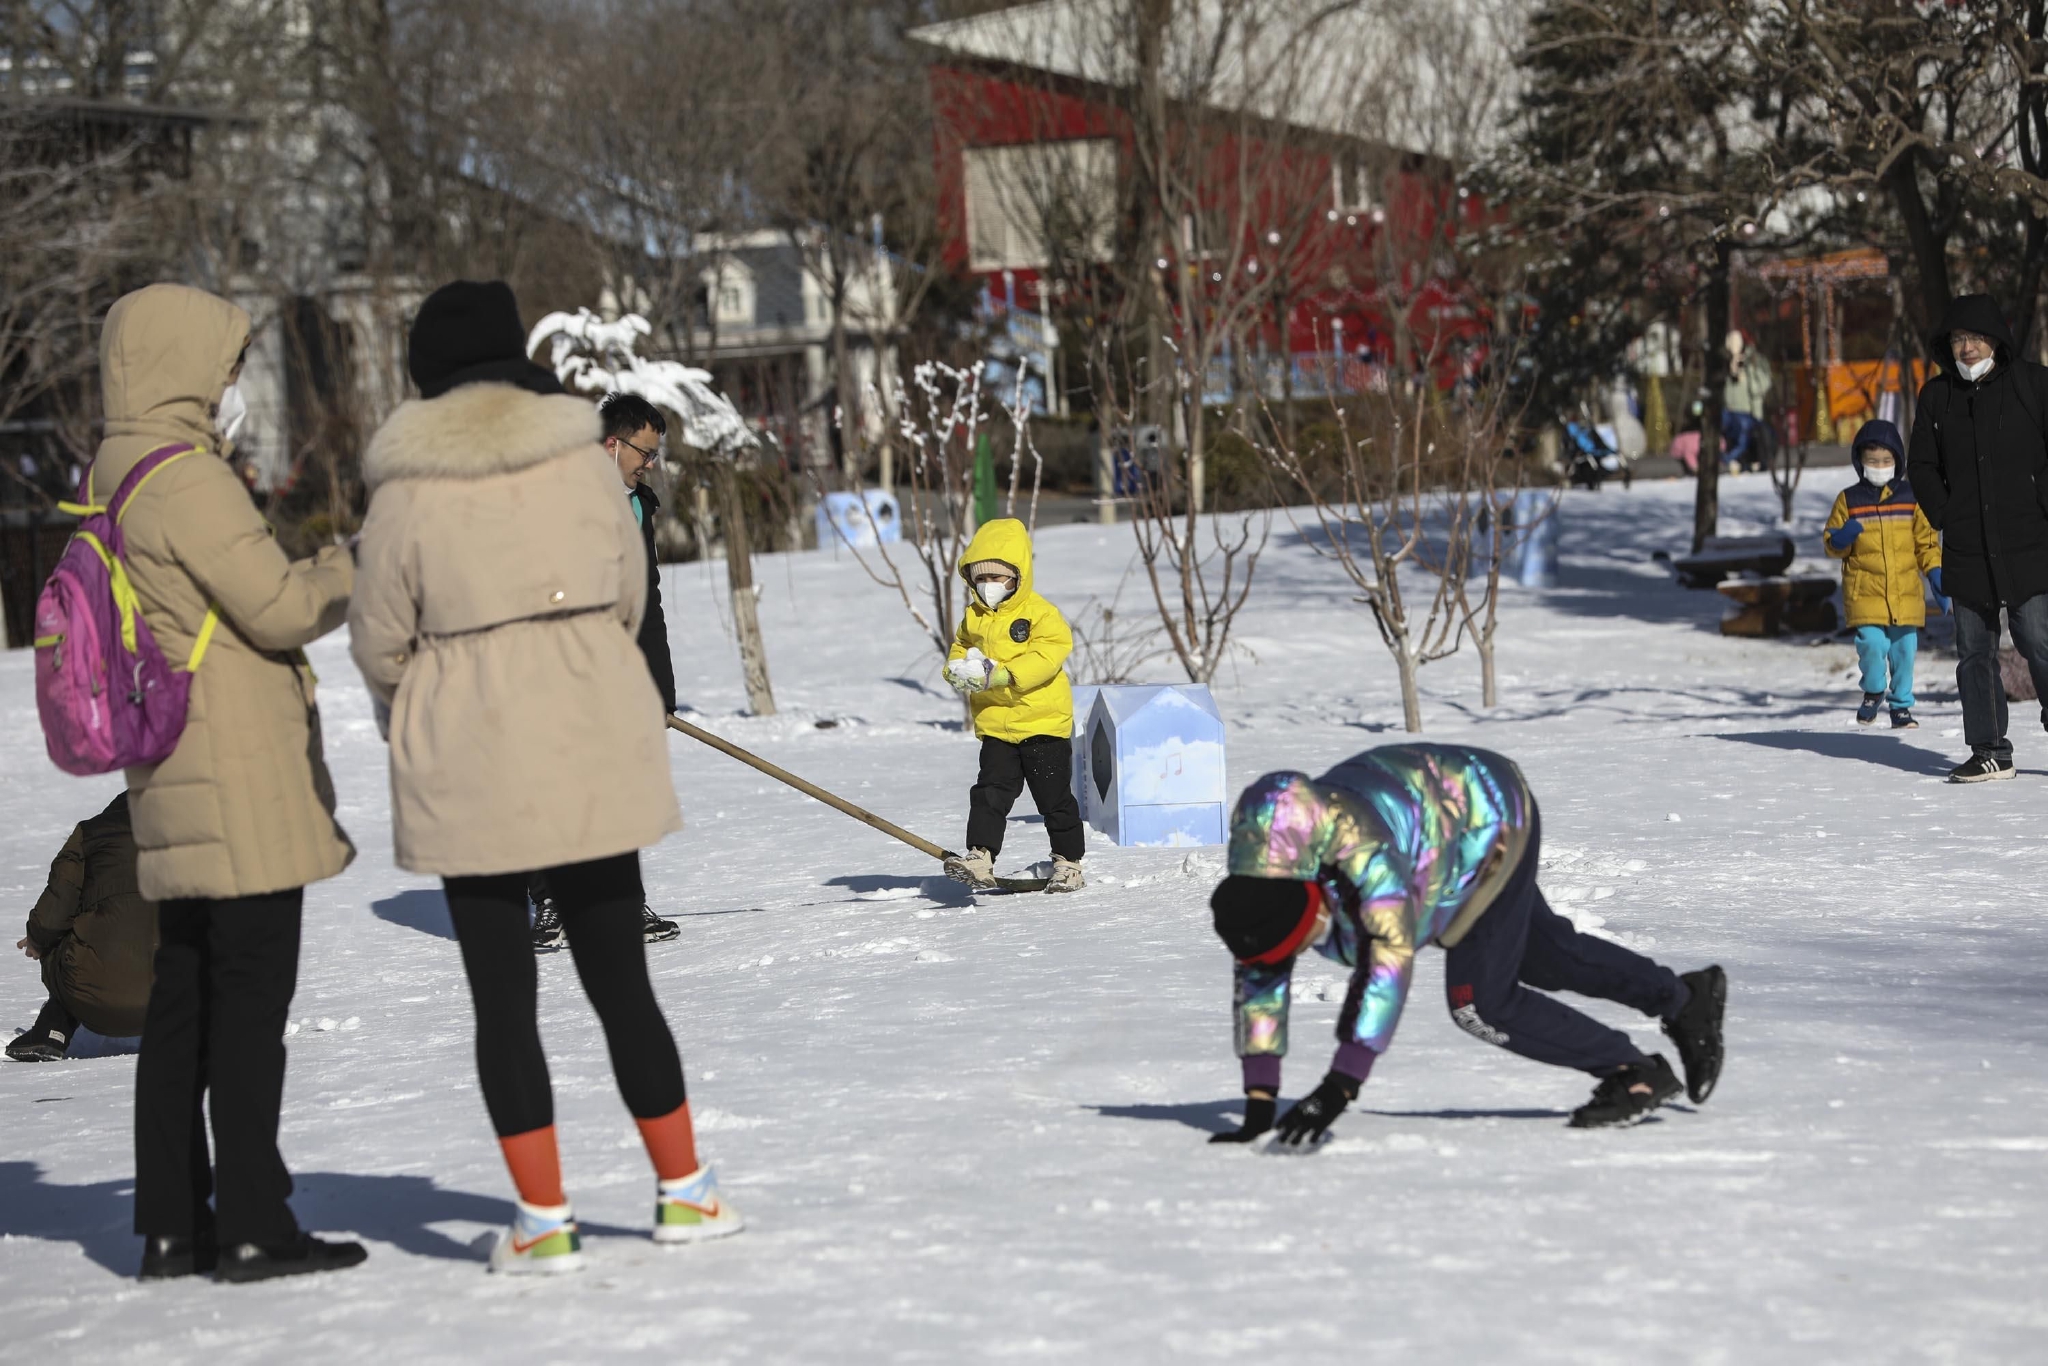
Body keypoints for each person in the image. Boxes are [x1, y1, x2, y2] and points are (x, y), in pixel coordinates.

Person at [349, 279, 742, 1275]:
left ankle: (543, 1217)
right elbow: (627, 590)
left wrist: (428, 706)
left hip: (466, 757)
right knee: (622, 981)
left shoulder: (405, 489)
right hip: (587, 742)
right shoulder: (582, 464)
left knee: (502, 1001)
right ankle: (686, 1191)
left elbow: (378, 638)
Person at [92, 283, 365, 1282]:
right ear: (181, 365)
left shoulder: (113, 469)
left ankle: (171, 1226)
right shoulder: (187, 480)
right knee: (249, 1004)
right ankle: (255, 1220)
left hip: (166, 766)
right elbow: (281, 606)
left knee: (184, 1002)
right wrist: (352, 565)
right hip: (234, 769)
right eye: (222, 364)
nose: (228, 384)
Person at [1205, 745, 1726, 1142]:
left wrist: (1342, 1084)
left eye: (1309, 941)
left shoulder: (1363, 856)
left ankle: (1632, 1071)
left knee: (1479, 1000)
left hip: (1486, 816)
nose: (1303, 955)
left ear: (1318, 900)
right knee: (1545, 957)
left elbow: (1387, 958)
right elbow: (1260, 976)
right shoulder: (1260, 879)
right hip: (1434, 822)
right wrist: (1259, 1098)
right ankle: (1683, 998)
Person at [528, 390, 681, 951]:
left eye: (655, 454)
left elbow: (649, 600)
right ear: (610, 443)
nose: (650, 463)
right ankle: (551, 903)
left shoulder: (638, 505)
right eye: (644, 451)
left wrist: (659, 686)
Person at [1905, 294, 2048, 782]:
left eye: (1976, 337)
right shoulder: (1937, 397)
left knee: (2039, 639)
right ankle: (1990, 749)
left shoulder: (2033, 384)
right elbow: (1920, 465)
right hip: (1967, 547)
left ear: (1996, 339)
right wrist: (1945, 513)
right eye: (1958, 339)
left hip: (2029, 541)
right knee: (1974, 651)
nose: (1967, 348)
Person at [940, 518, 1085, 893]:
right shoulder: (973, 616)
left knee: (1054, 798)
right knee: (990, 792)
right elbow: (960, 648)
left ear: (1019, 576)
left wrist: (1005, 675)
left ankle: (1068, 863)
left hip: (1042, 723)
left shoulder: (1040, 613)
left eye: (999, 577)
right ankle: (980, 857)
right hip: (997, 724)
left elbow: (1049, 654)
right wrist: (956, 670)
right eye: (980, 577)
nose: (989, 586)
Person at [9, 793, 155, 1063]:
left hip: (93, 993)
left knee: (58, 940)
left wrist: (36, 940)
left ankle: (52, 1031)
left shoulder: (90, 834)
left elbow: (53, 915)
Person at [1823, 419, 1941, 730]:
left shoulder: (1911, 498)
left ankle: (1901, 706)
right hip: (1865, 594)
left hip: (1905, 594)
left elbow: (1926, 542)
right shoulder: (1848, 500)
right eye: (1872, 461)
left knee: (1904, 651)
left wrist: (1936, 572)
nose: (1879, 466)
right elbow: (1831, 542)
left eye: (1886, 461)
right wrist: (1840, 539)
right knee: (1872, 645)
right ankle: (1874, 688)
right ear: (1860, 462)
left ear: (1897, 462)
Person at [1724, 330, 1774, 473]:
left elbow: (1761, 385)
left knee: (1750, 437)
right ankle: (1740, 462)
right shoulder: (1727, 361)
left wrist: (1748, 377)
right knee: (1734, 438)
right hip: (1732, 409)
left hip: (1749, 410)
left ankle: (1756, 461)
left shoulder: (1754, 362)